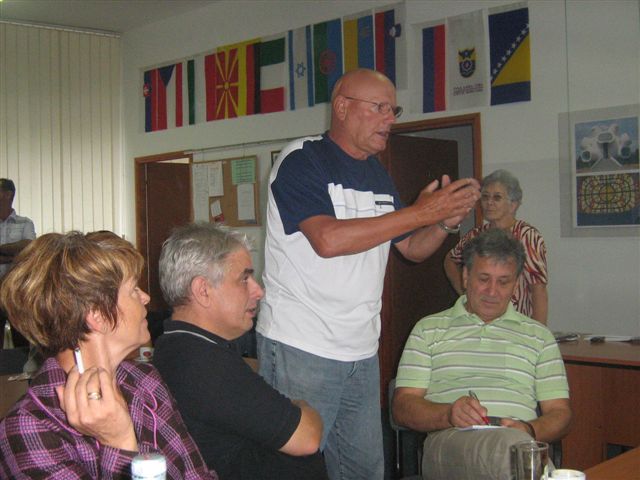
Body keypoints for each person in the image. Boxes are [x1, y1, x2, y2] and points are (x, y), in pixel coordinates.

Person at [256, 68, 481, 479]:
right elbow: (328, 240)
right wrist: (421, 212)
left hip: (361, 350)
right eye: (379, 107)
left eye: (393, 110)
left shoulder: (377, 173)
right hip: (301, 346)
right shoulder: (301, 161)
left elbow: (411, 249)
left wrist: (443, 222)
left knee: (363, 470)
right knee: (298, 469)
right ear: (342, 107)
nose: (390, 119)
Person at [0, 231, 216, 479]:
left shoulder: (144, 380)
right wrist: (119, 441)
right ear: (98, 315)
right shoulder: (29, 427)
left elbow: (197, 475)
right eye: (133, 289)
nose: (146, 298)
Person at [153, 223, 327, 480]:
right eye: (244, 279)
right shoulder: (207, 364)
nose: (258, 291)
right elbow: (308, 437)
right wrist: (302, 405)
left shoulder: (178, 345)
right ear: (203, 290)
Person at [393, 229, 571, 480]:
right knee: (511, 452)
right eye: (484, 279)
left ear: (516, 283)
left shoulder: (540, 337)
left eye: (503, 281)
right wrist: (449, 414)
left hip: (520, 440)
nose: (492, 291)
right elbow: (402, 407)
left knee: (516, 450)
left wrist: (529, 429)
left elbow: (561, 414)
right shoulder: (428, 329)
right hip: (451, 440)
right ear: (466, 276)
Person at [444, 169, 549, 323]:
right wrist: (465, 292)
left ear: (513, 205)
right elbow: (450, 260)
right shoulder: (477, 234)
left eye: (497, 197)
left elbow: (538, 290)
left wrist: (538, 331)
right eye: (485, 197)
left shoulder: (528, 236)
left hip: (515, 324)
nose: (489, 203)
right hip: (477, 321)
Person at [0, 178, 36, 348]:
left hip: (16, 289)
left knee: (21, 340)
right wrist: (14, 255)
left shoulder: (25, 223)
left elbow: (28, 249)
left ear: (8, 194)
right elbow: (21, 252)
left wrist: (3, 252)